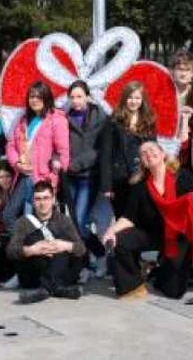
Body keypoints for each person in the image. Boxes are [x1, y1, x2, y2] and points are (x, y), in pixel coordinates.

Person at [102, 141, 193, 299]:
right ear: (142, 162)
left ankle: (157, 271)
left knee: (174, 292)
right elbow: (128, 218)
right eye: (143, 153)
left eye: (151, 149)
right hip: (152, 234)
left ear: (163, 154)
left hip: (178, 236)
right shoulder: (139, 187)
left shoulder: (183, 177)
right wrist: (111, 231)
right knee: (119, 240)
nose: (148, 154)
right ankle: (132, 286)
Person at [2, 81, 70, 234]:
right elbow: (11, 145)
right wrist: (16, 163)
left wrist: (52, 180)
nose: (35, 100)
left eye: (39, 97)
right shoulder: (24, 120)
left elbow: (63, 153)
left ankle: (35, 250)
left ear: (47, 98)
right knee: (11, 218)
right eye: (32, 96)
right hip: (22, 175)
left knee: (30, 220)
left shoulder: (57, 119)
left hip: (41, 179)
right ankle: (31, 250)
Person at [6, 180, 86, 304]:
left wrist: (65, 245)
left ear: (53, 200)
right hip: (34, 274)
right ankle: (57, 289)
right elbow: (10, 251)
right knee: (32, 238)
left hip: (61, 271)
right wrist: (31, 250)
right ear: (33, 201)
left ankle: (47, 288)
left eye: (46, 198)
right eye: (38, 199)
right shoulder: (24, 222)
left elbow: (81, 248)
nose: (42, 203)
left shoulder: (63, 220)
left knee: (64, 240)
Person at [63, 80, 109, 274]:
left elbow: (98, 150)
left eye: (79, 96)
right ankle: (84, 261)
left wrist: (75, 164)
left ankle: (100, 254)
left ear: (88, 97)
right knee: (73, 222)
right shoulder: (65, 117)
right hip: (70, 177)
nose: (76, 101)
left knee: (80, 222)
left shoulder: (100, 116)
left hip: (88, 177)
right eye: (72, 97)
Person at [100, 81, 157, 219]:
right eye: (130, 98)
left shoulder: (149, 120)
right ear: (125, 98)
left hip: (142, 177)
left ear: (142, 100)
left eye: (137, 98)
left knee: (142, 217)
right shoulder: (113, 120)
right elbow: (106, 154)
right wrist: (106, 186)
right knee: (122, 218)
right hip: (120, 178)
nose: (133, 101)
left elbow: (154, 149)